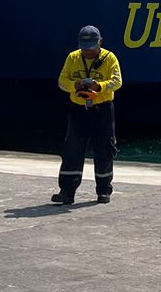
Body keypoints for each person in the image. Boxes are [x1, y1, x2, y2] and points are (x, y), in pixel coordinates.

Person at [51, 25, 122, 205]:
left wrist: (99, 87)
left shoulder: (110, 58)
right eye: (84, 47)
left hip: (102, 109)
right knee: (72, 149)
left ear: (100, 42)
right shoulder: (73, 58)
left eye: (91, 47)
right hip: (78, 110)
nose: (88, 51)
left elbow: (117, 81)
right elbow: (62, 81)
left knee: (104, 148)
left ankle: (104, 190)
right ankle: (67, 191)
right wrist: (75, 85)